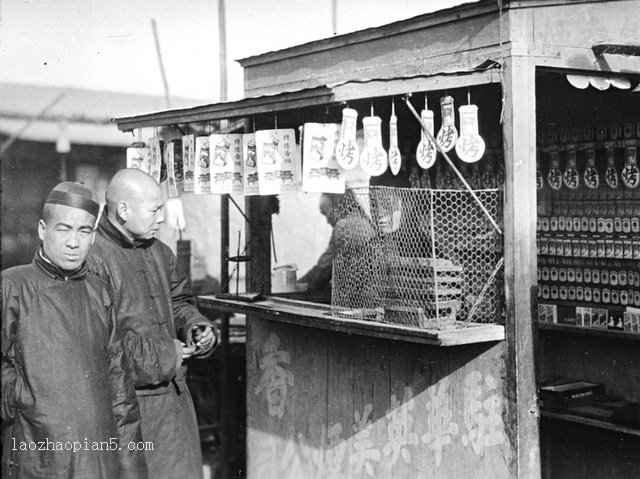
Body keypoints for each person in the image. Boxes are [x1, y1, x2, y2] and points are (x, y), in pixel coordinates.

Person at [1, 182, 147, 479]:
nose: (73, 242)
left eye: (83, 232)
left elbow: (119, 387)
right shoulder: (13, 286)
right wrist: (23, 397)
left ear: (93, 236)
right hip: (35, 451)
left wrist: (131, 470)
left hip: (97, 455)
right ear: (43, 230)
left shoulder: (98, 291)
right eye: (63, 229)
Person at [87, 168, 218, 479]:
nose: (162, 218)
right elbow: (102, 345)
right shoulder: (93, 259)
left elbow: (180, 301)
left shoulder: (160, 252)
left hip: (174, 401)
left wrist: (197, 327)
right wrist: (166, 355)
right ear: (123, 210)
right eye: (155, 209)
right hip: (128, 408)